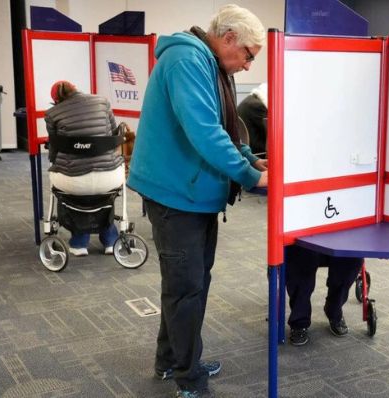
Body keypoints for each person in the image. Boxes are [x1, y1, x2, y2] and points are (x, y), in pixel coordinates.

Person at [126, 5, 268, 398]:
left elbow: (221, 125)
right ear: (228, 39)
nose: (248, 64)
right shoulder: (187, 59)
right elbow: (204, 132)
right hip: (177, 195)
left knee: (188, 284)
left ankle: (170, 359)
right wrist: (250, 175)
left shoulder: (210, 64)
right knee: (187, 287)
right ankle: (189, 378)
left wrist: (247, 155)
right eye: (249, 54)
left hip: (194, 195)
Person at [45, 80, 123, 257]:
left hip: (73, 181)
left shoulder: (52, 113)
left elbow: (54, 148)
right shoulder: (102, 102)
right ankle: (111, 240)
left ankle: (79, 242)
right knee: (103, 192)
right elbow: (112, 135)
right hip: (108, 177)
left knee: (68, 187)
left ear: (56, 101)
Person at [285, 244, 363, 346]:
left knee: (352, 257)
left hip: (341, 236)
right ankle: (299, 320)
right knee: (300, 257)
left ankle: (334, 309)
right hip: (305, 238)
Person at [237, 82, 267, 157]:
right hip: (256, 153)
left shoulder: (250, 101)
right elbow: (271, 134)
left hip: (246, 149)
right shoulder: (258, 106)